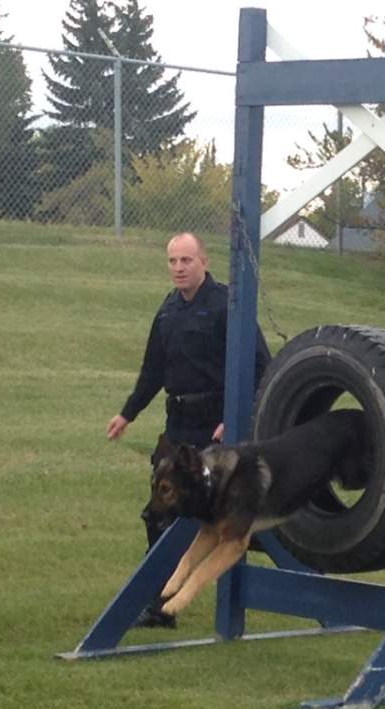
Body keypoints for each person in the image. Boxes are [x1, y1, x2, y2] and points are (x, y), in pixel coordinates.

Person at [107, 232, 271, 628]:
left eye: (186, 261)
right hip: (177, 424)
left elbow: (262, 366)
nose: (178, 268)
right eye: (172, 262)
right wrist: (127, 414)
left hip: (215, 429)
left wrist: (235, 417)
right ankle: (161, 604)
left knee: (205, 516)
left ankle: (260, 538)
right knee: (159, 513)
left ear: (204, 262)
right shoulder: (168, 311)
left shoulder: (226, 306)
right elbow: (153, 371)